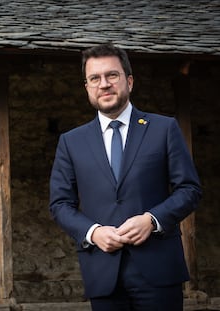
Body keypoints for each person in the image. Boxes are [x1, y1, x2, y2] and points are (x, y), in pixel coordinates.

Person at [49, 43, 201, 311]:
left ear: (129, 81)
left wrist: (152, 220)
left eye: (112, 75)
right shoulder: (71, 142)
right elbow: (60, 205)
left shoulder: (164, 129)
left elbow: (189, 189)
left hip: (159, 270)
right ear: (87, 88)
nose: (104, 84)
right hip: (103, 272)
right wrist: (93, 232)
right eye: (95, 78)